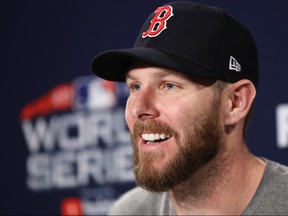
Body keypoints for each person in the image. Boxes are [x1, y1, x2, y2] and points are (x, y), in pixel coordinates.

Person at [91, 1, 288, 215]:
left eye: (168, 85)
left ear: (235, 103)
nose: (138, 108)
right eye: (135, 86)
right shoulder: (129, 211)